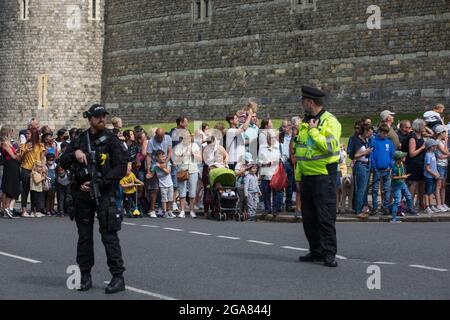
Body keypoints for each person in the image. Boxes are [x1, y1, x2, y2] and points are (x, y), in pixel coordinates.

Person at [59, 104, 128, 294]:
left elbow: (122, 166)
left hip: (104, 192)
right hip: (82, 194)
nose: (102, 120)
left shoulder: (112, 140)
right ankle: (85, 275)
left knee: (109, 235)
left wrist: (102, 182)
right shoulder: (80, 139)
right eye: (98, 117)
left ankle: (117, 276)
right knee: (84, 237)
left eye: (103, 116)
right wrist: (75, 154)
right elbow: (62, 161)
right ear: (90, 119)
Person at [296, 86, 341, 268]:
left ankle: (329, 253)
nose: (302, 104)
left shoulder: (330, 122)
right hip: (307, 177)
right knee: (309, 218)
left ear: (311, 102)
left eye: (303, 101)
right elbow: (299, 150)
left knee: (325, 217)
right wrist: (299, 175)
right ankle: (316, 251)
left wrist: (314, 132)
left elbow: (330, 148)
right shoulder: (305, 122)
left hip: (323, 176)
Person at [173, 132, 202, 218]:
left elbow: (200, 159)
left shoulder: (195, 146)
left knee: (192, 192)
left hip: (193, 170)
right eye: (185, 137)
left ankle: (192, 211)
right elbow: (175, 161)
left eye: (188, 136)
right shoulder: (179, 147)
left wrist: (194, 154)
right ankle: (182, 211)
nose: (187, 138)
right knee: (182, 191)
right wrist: (182, 156)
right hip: (182, 170)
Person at [19, 128, 46, 217]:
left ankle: (34, 211)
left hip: (36, 170)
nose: (26, 135)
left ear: (33, 135)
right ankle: (24, 210)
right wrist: (26, 151)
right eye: (26, 134)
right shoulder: (24, 145)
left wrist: (43, 170)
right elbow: (21, 159)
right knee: (25, 190)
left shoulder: (40, 145)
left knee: (35, 191)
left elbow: (42, 159)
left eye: (28, 134)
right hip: (26, 169)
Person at [146, 128, 172, 217]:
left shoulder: (168, 138)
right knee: (155, 189)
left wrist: (166, 162)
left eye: (162, 137)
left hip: (165, 164)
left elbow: (169, 151)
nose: (160, 139)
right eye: (158, 137)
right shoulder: (151, 142)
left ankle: (163, 209)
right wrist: (148, 169)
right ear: (155, 135)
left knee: (165, 189)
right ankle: (152, 209)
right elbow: (148, 156)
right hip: (155, 166)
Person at [258, 117, 282, 215]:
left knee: (276, 190)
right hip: (265, 170)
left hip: (275, 170)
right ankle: (268, 208)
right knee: (266, 191)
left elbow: (280, 156)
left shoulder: (276, 146)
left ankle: (275, 209)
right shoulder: (262, 145)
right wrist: (264, 163)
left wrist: (276, 161)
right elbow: (259, 158)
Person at [370, 123, 394, 215]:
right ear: (379, 132)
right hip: (377, 170)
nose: (385, 135)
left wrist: (390, 165)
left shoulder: (389, 142)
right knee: (375, 190)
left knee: (387, 189)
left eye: (386, 133)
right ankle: (375, 207)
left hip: (387, 170)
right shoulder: (374, 141)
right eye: (383, 133)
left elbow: (392, 156)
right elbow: (371, 155)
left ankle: (385, 207)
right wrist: (374, 167)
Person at [402, 119, 426, 211]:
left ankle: (420, 203)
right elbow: (412, 153)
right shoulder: (412, 137)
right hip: (413, 164)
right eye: (423, 126)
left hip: (420, 163)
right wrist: (422, 147)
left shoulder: (420, 136)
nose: (424, 127)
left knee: (421, 184)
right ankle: (409, 204)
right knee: (414, 184)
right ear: (419, 127)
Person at [352, 124, 374, 219]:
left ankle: (362, 209)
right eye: (370, 132)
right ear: (365, 131)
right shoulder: (358, 141)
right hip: (360, 166)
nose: (371, 134)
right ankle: (358, 211)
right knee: (361, 189)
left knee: (364, 189)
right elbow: (355, 155)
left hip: (366, 166)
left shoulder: (365, 140)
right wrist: (366, 152)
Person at [0, 126, 21, 218]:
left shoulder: (9, 143)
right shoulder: (5, 143)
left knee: (12, 186)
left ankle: (7, 208)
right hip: (10, 165)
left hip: (14, 165)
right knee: (8, 187)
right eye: (12, 131)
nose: (13, 132)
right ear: (7, 132)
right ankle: (6, 208)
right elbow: (13, 156)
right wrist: (17, 154)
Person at [147, 150, 175, 218]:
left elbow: (168, 172)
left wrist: (160, 167)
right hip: (162, 185)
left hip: (170, 184)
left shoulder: (167, 163)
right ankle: (165, 212)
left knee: (170, 199)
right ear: (157, 158)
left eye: (164, 156)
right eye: (161, 157)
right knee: (164, 199)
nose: (163, 158)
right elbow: (152, 174)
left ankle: (169, 211)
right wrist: (148, 175)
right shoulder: (154, 166)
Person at [391, 151, 416, 222]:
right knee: (397, 200)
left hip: (402, 183)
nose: (405, 157)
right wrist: (403, 176)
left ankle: (409, 209)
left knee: (409, 196)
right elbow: (393, 177)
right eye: (403, 157)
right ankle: (394, 217)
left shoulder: (401, 163)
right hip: (396, 185)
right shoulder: (395, 167)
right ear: (399, 159)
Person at [280, 119, 295, 212]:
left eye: (285, 126)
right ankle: (280, 204)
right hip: (282, 162)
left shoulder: (294, 136)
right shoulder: (280, 136)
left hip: (291, 161)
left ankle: (288, 204)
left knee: (289, 184)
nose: (283, 128)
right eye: (282, 126)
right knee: (281, 184)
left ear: (290, 126)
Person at [423, 139, 441, 214]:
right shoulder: (427, 155)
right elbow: (427, 168)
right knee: (427, 191)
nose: (436, 147)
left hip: (433, 176)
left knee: (431, 191)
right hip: (429, 177)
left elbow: (434, 166)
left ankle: (431, 205)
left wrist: (437, 173)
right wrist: (434, 174)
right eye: (434, 146)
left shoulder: (433, 154)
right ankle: (427, 207)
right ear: (430, 147)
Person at [434, 125, 450, 211]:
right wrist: (446, 142)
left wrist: (446, 155)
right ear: (441, 133)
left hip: (445, 164)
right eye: (445, 132)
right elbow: (445, 152)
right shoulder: (438, 142)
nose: (446, 135)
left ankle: (443, 203)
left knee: (443, 186)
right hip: (440, 165)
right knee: (438, 186)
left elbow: (445, 154)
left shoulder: (443, 142)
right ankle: (438, 204)